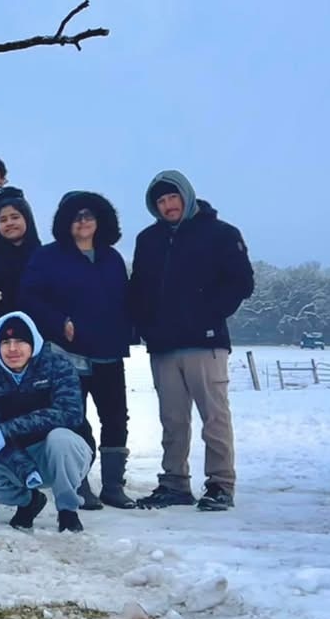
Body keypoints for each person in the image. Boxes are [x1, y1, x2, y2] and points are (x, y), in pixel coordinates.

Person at [130, 171, 254, 512]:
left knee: (214, 417)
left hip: (205, 342)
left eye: (172, 198)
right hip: (163, 345)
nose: (168, 205)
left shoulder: (221, 234)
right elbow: (138, 286)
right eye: (160, 201)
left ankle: (220, 484)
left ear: (186, 196)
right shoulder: (148, 239)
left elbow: (241, 281)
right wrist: (144, 325)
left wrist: (209, 312)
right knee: (172, 419)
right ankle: (174, 483)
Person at [20, 191, 135, 509]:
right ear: (66, 222)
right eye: (76, 216)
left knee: (115, 417)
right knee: (74, 418)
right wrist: (59, 322)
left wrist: (131, 330)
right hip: (66, 352)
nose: (83, 222)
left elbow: (125, 300)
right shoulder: (47, 257)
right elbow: (29, 297)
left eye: (89, 215)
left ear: (101, 220)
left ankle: (113, 485)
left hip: (109, 351)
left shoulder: (111, 257)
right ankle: (78, 482)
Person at [0, 312, 93, 533]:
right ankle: (28, 502)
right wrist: (25, 468)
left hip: (65, 454)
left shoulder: (57, 365)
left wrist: (9, 429)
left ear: (34, 342)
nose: (13, 349)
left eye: (20, 341)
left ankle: (67, 510)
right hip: (21, 458)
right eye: (6, 342)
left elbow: (69, 414)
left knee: (60, 438)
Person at [0, 197, 41, 317]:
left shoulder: (44, 256)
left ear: (27, 219)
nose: (9, 223)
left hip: (39, 326)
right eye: (3, 220)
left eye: (15, 217)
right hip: (1, 325)